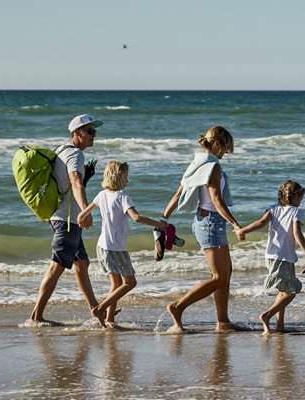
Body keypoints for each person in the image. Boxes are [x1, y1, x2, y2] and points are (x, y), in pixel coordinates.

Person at [160, 126, 242, 331]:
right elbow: (216, 199)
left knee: (226, 273)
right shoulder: (213, 166)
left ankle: (223, 322)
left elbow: (178, 194)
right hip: (211, 223)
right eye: (225, 149)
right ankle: (178, 307)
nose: (225, 154)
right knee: (219, 277)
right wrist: (235, 224)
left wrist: (163, 218)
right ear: (216, 144)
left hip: (208, 222)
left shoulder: (196, 164)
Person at [28, 114, 102, 324]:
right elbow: (76, 183)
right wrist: (85, 211)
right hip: (68, 219)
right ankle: (36, 317)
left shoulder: (61, 151)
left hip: (61, 217)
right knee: (56, 267)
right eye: (89, 131)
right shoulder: (75, 155)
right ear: (76, 132)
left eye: (94, 131)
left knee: (82, 263)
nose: (93, 135)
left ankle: (95, 310)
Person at [77, 161, 167, 328]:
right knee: (130, 283)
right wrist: (160, 225)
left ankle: (110, 320)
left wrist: (83, 222)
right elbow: (137, 218)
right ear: (118, 177)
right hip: (116, 249)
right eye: (126, 177)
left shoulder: (101, 195)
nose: (127, 181)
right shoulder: (122, 197)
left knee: (116, 284)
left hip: (103, 247)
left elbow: (81, 215)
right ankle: (100, 309)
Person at [234, 180, 305, 334]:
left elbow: (260, 223)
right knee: (291, 293)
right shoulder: (296, 212)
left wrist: (243, 231)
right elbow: (297, 233)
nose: (301, 202)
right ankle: (267, 316)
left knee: (283, 291)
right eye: (301, 198)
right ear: (295, 196)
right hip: (284, 257)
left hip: (271, 256)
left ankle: (280, 326)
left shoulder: (273, 209)